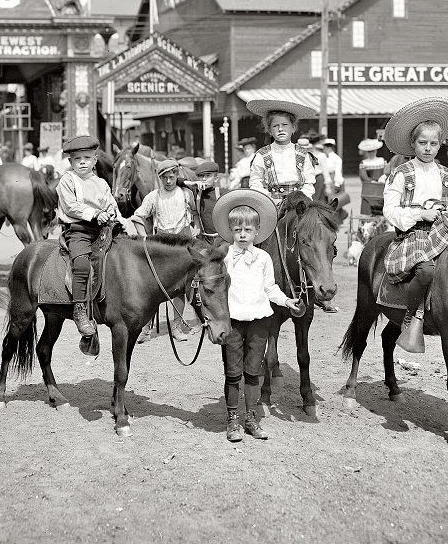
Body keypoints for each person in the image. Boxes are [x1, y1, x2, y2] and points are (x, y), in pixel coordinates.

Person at [211, 188, 299, 442]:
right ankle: (232, 421)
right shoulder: (224, 256)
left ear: (257, 232)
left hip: (260, 322)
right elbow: (214, 286)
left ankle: (250, 418)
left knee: (253, 372)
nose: (242, 235)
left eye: (247, 230)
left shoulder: (263, 258)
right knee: (232, 372)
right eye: (237, 230)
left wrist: (287, 301)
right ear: (230, 231)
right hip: (234, 323)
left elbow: (270, 288)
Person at [382, 98, 448, 354]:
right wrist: (420, 214)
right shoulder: (402, 173)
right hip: (413, 236)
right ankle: (411, 316)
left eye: (433, 144)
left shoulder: (446, 175)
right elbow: (390, 210)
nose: (428, 149)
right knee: (427, 271)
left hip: (442, 233)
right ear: (412, 144)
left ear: (440, 144)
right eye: (422, 143)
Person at [55, 135, 123, 336]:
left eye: (86, 157)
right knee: (82, 264)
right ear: (70, 162)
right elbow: (71, 206)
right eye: (77, 159)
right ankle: (79, 309)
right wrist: (95, 214)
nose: (82, 162)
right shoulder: (68, 180)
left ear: (95, 160)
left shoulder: (101, 182)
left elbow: (111, 202)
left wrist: (112, 213)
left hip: (102, 230)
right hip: (79, 231)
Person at [131, 159, 199, 342]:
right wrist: (144, 236)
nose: (168, 181)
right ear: (159, 178)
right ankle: (145, 328)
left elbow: (196, 212)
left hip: (182, 245)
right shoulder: (153, 196)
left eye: (171, 177)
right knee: (153, 287)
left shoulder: (185, 194)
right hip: (161, 246)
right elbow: (138, 216)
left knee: (180, 287)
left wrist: (196, 229)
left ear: (177, 175)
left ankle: (176, 326)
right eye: (164, 178)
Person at [246, 100, 317, 205]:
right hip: (271, 204)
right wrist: (269, 199)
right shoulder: (262, 155)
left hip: (299, 204)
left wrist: (301, 198)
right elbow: (255, 182)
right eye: (275, 126)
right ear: (269, 130)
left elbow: (309, 182)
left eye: (284, 124)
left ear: (293, 128)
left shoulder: (303, 154)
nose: (280, 129)